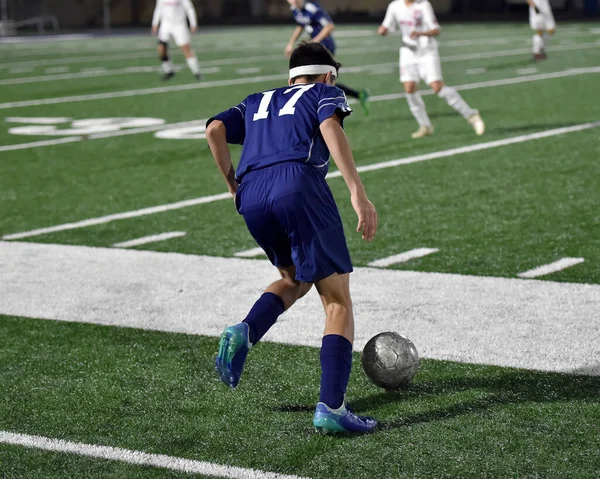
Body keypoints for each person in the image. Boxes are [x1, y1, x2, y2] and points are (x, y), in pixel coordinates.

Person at [206, 42, 378, 434]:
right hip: (298, 184)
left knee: (293, 278)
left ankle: (245, 330)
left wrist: (232, 184)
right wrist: (357, 191)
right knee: (337, 301)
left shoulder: (256, 99)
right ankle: (332, 408)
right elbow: (329, 126)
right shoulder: (324, 92)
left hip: (253, 193)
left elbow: (214, 129)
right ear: (327, 75)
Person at [377, 0, 485, 139]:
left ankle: (471, 115)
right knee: (409, 88)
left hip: (427, 51)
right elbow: (386, 26)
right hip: (407, 52)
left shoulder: (423, 5)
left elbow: (436, 30)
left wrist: (420, 33)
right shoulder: (395, 6)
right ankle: (425, 126)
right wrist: (383, 31)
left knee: (437, 87)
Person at [284, 0, 371, 115]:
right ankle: (358, 95)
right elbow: (302, 24)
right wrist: (291, 43)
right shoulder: (295, 9)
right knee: (318, 82)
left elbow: (329, 26)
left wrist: (314, 42)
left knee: (319, 82)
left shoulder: (311, 7)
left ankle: (326, 114)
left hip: (325, 47)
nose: (293, 0)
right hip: (315, 48)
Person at [151, 0, 202, 80]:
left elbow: (189, 9)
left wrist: (193, 24)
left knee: (186, 48)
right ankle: (168, 70)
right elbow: (158, 9)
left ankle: (197, 72)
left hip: (179, 24)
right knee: (161, 48)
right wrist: (155, 24)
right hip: (166, 24)